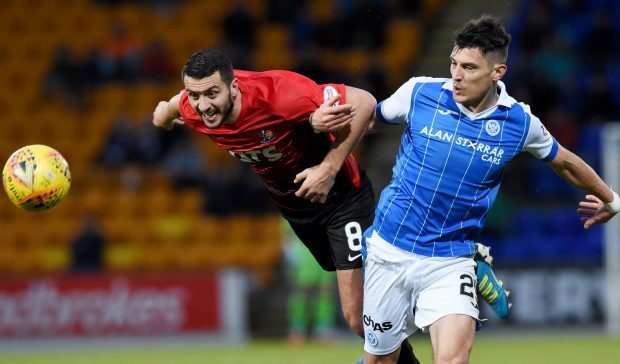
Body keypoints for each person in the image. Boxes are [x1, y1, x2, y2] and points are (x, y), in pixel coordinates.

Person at [152, 48, 509, 364]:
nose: (203, 105)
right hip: (299, 211)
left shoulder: (281, 94)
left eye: (212, 94)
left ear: (233, 87)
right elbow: (171, 106)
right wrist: (163, 116)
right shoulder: (193, 105)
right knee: (372, 321)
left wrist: (327, 167)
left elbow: (365, 102)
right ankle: (454, 258)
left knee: (358, 318)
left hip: (341, 199)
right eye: (195, 96)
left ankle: (455, 258)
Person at [313, 15, 618, 364]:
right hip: (390, 249)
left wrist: (611, 199)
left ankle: (472, 267)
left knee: (453, 360)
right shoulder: (420, 92)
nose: (456, 75)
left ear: (497, 72)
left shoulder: (519, 123)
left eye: (469, 67)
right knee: (380, 357)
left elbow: (563, 161)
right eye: (454, 64)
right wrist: (319, 123)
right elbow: (368, 119)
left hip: (450, 258)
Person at [282, 218, 338, 344]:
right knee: (300, 295)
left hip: (325, 252)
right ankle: (297, 330)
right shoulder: (291, 207)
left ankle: (324, 330)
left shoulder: (327, 203)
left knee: (326, 294)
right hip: (302, 256)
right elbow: (287, 238)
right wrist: (290, 258)